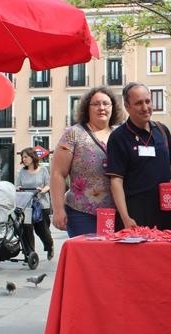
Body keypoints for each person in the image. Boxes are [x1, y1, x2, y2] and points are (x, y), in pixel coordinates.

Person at [105, 82, 171, 232]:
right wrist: (125, 217)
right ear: (127, 107)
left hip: (168, 213)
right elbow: (116, 180)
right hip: (137, 214)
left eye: (148, 101)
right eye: (139, 103)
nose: (145, 107)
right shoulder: (118, 137)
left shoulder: (162, 130)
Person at [50, 86, 123, 237]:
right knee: (87, 257)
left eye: (106, 103)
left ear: (113, 108)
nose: (101, 108)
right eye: (96, 104)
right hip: (82, 213)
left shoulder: (120, 133)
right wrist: (58, 209)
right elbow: (58, 173)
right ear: (86, 108)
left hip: (118, 213)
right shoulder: (73, 134)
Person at [16, 147, 54, 260]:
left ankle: (49, 246)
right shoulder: (22, 172)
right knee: (26, 229)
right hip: (26, 204)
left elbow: (48, 184)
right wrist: (18, 188)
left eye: (26, 157)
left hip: (41, 204)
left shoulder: (43, 170)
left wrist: (43, 190)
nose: (24, 159)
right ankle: (30, 254)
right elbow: (17, 185)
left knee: (42, 230)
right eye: (22, 157)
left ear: (32, 157)